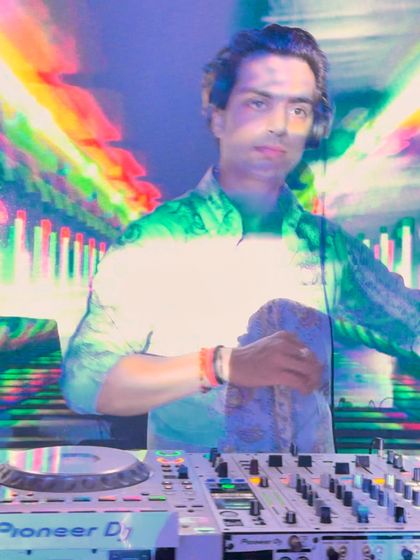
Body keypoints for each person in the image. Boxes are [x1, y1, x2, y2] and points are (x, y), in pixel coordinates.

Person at [61, 25, 419, 453]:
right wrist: (221, 364)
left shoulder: (327, 247)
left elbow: (410, 322)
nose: (279, 126)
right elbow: (87, 382)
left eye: (298, 109)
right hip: (196, 493)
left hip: (311, 492)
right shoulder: (156, 241)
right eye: (258, 103)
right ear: (218, 116)